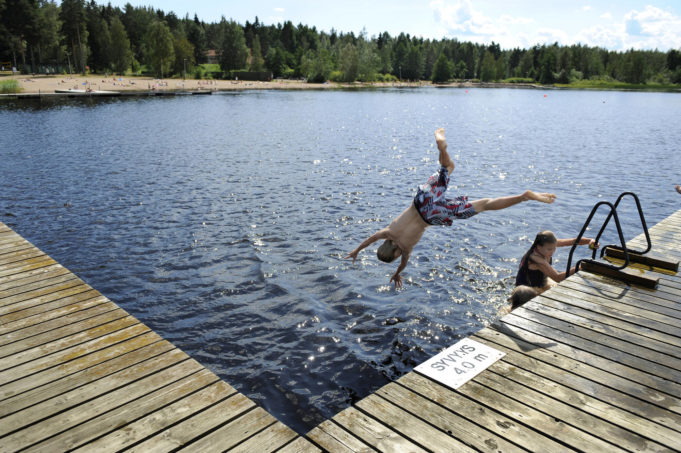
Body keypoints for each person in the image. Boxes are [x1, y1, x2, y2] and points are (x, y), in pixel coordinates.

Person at [345, 128, 557, 288]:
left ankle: (523, 197)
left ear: (395, 253)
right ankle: (442, 146)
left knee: (484, 205)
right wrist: (357, 249)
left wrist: (398, 273)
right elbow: (372, 238)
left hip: (434, 215)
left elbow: (403, 264)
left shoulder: (406, 249)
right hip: (421, 201)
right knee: (447, 167)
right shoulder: (388, 232)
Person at [511, 230, 597, 308]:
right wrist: (581, 267)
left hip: (541, 282)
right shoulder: (536, 259)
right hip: (527, 289)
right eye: (549, 249)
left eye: (554, 248)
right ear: (538, 246)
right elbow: (558, 277)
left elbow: (573, 241)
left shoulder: (549, 245)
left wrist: (590, 241)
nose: (552, 252)